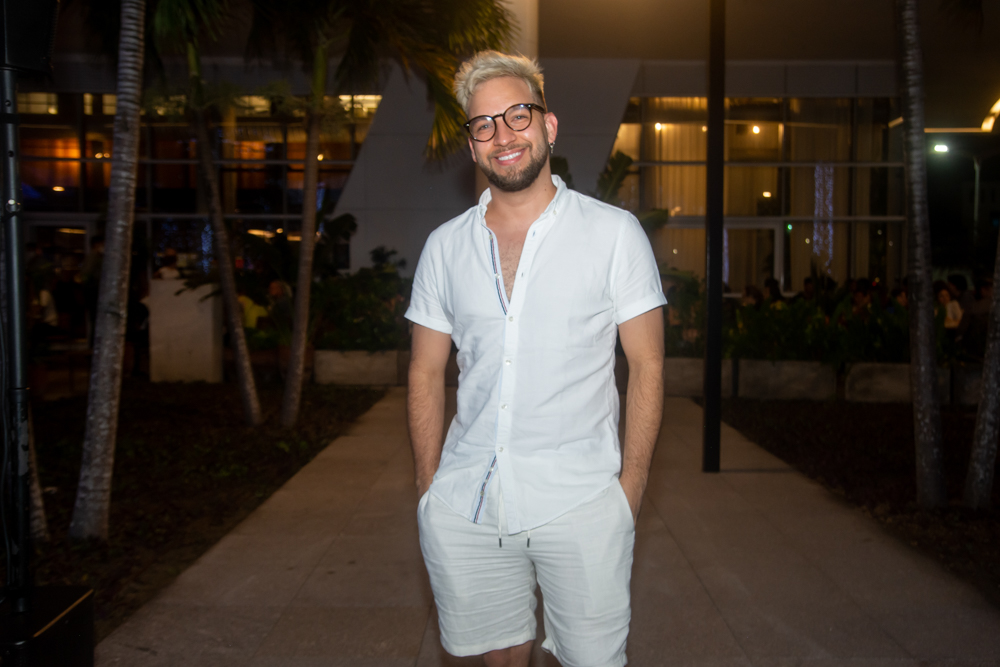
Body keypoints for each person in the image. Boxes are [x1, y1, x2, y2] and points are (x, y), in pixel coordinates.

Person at [405, 51, 665, 667]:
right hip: (468, 503)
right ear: (472, 145)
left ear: (548, 125)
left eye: (517, 115)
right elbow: (424, 372)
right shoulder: (444, 248)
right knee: (499, 659)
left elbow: (648, 366)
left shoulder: (613, 234)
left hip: (582, 502)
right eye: (484, 124)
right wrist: (429, 489)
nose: (503, 135)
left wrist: (628, 495)